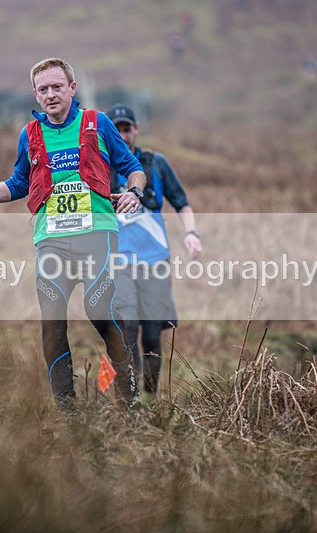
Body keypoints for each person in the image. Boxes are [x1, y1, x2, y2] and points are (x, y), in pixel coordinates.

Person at [0, 58, 147, 407]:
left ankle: (129, 400)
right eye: (43, 89)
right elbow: (19, 182)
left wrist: (133, 192)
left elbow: (133, 168)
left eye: (56, 87)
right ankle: (66, 410)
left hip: (97, 234)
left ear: (72, 89)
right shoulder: (30, 134)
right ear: (35, 93)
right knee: (52, 322)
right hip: (50, 240)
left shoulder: (97, 123)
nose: (50, 94)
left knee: (98, 309)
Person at [106, 103, 202, 400]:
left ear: (136, 129)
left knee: (151, 335)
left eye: (126, 129)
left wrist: (191, 233)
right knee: (127, 328)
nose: (121, 135)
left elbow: (181, 203)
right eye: (116, 130)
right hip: (117, 263)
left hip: (155, 262)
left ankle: (150, 396)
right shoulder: (98, 167)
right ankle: (128, 399)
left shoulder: (155, 163)